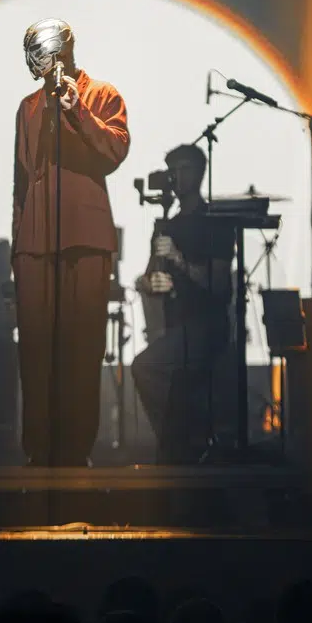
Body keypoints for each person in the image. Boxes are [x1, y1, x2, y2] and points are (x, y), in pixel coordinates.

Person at [11, 18, 129, 466]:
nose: (35, 63)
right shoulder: (27, 107)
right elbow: (21, 180)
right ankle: (38, 450)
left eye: (40, 53)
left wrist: (78, 110)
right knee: (35, 349)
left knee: (82, 347)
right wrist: (18, 245)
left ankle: (76, 452)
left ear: (61, 51)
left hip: (85, 239)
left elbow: (114, 152)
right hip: (35, 243)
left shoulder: (101, 94)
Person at [132, 143, 235, 460]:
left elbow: (218, 285)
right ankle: (180, 443)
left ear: (198, 173)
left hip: (205, 325)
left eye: (182, 169)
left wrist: (179, 260)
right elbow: (150, 278)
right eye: (171, 170)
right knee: (154, 371)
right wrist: (150, 283)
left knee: (145, 368)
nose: (175, 177)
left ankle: (179, 441)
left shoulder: (214, 222)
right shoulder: (167, 226)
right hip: (175, 327)